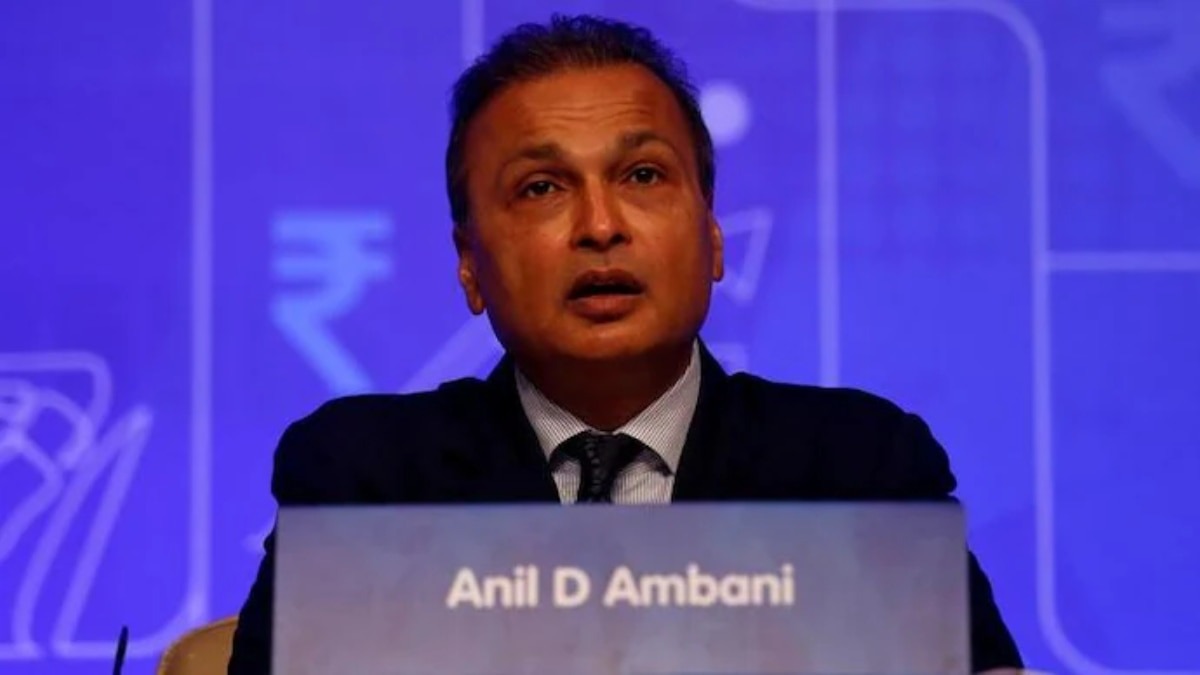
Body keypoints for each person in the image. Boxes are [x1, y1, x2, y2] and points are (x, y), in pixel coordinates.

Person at [227, 14, 1023, 674]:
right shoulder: (368, 485)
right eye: (542, 187)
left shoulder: (857, 472)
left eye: (643, 175)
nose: (601, 225)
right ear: (469, 265)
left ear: (713, 236)